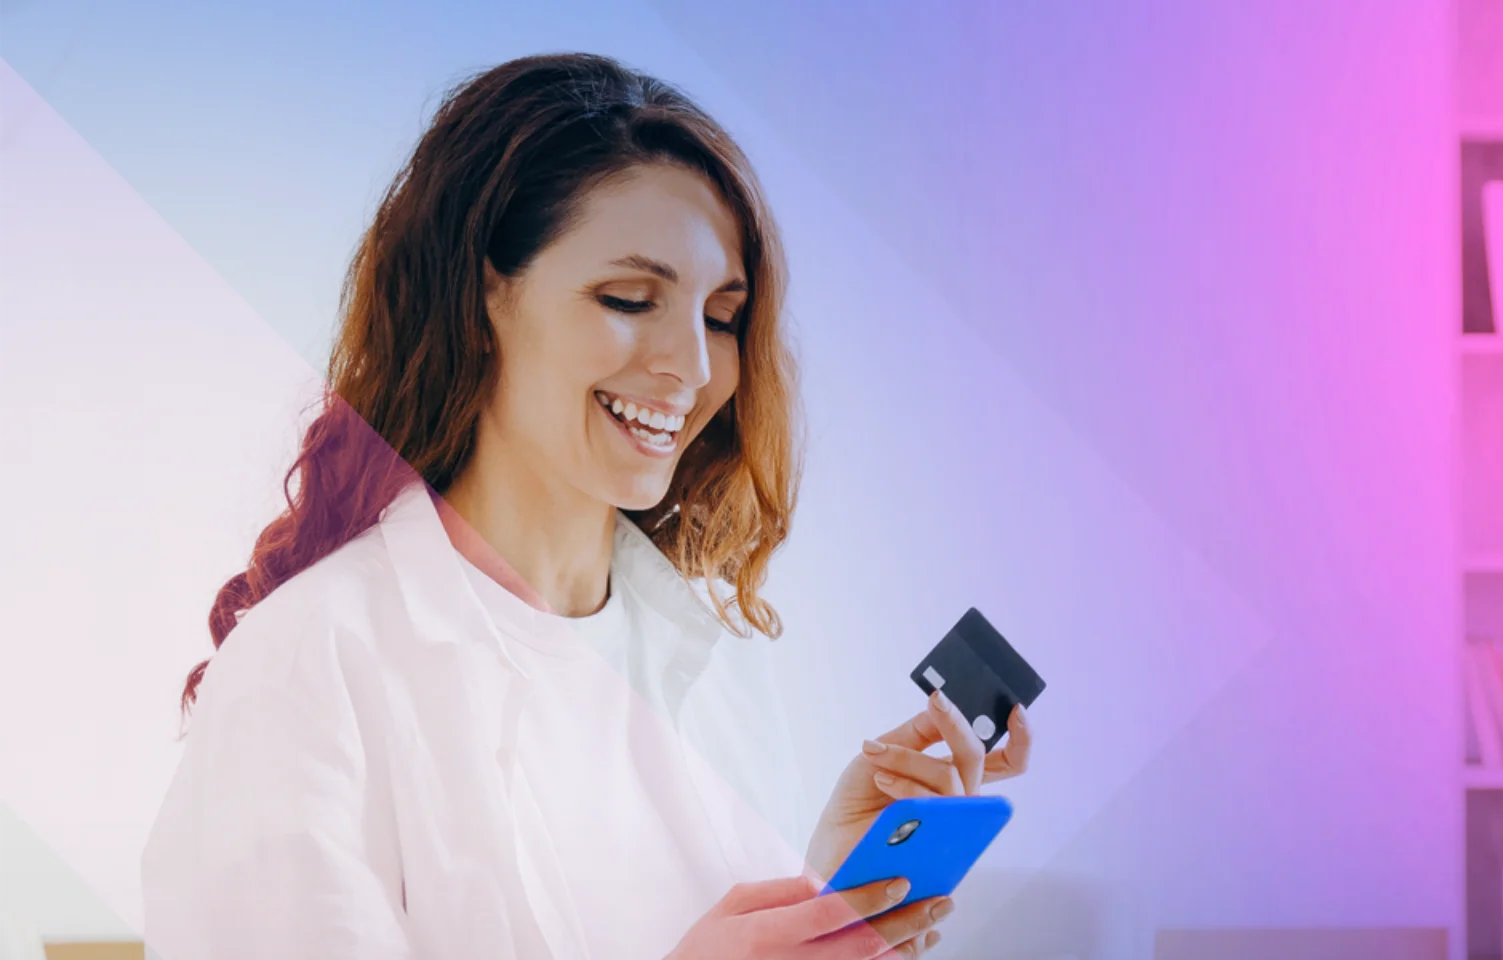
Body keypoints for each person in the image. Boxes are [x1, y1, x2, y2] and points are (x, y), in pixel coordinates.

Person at [141, 53, 1033, 960]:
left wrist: (829, 900)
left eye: (721, 315)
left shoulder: (716, 666)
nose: (689, 367)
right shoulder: (310, 666)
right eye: (630, 299)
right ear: (485, 291)